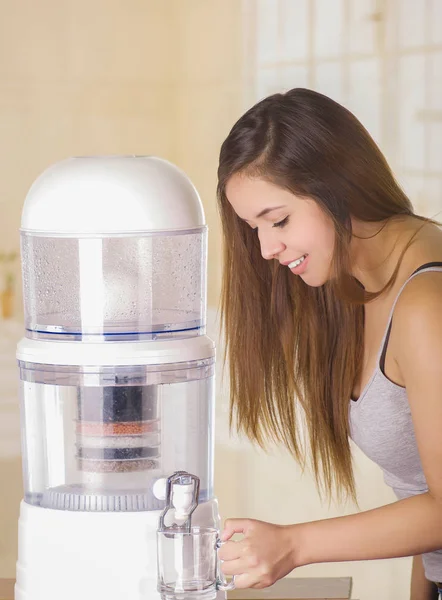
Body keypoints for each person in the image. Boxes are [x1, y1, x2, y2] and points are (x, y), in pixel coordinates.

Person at [216, 87, 442, 600]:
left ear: (337, 187)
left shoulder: (427, 303)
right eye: (254, 229)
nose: (267, 249)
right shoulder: (359, 288)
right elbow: (424, 495)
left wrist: (293, 545)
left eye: (279, 221)